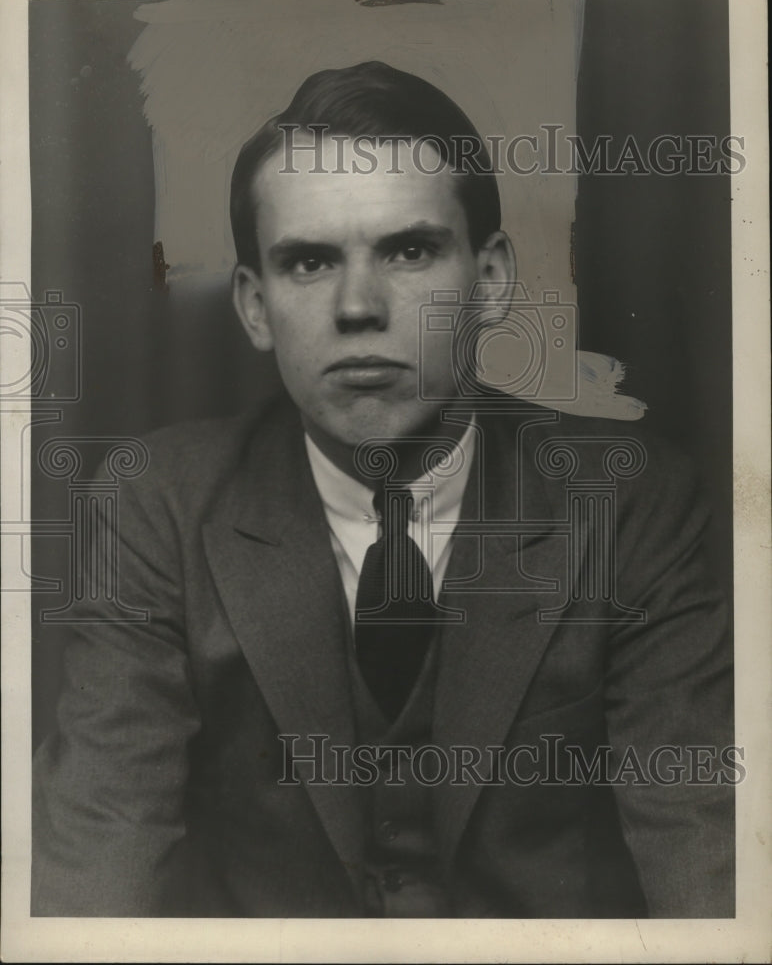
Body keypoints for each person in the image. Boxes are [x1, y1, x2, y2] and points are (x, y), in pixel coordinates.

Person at [32, 61, 734, 918]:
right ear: (254, 306)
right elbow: (99, 852)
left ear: (489, 280)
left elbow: (708, 857)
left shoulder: (634, 504)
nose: (358, 306)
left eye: (408, 250)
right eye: (308, 262)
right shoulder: (155, 505)